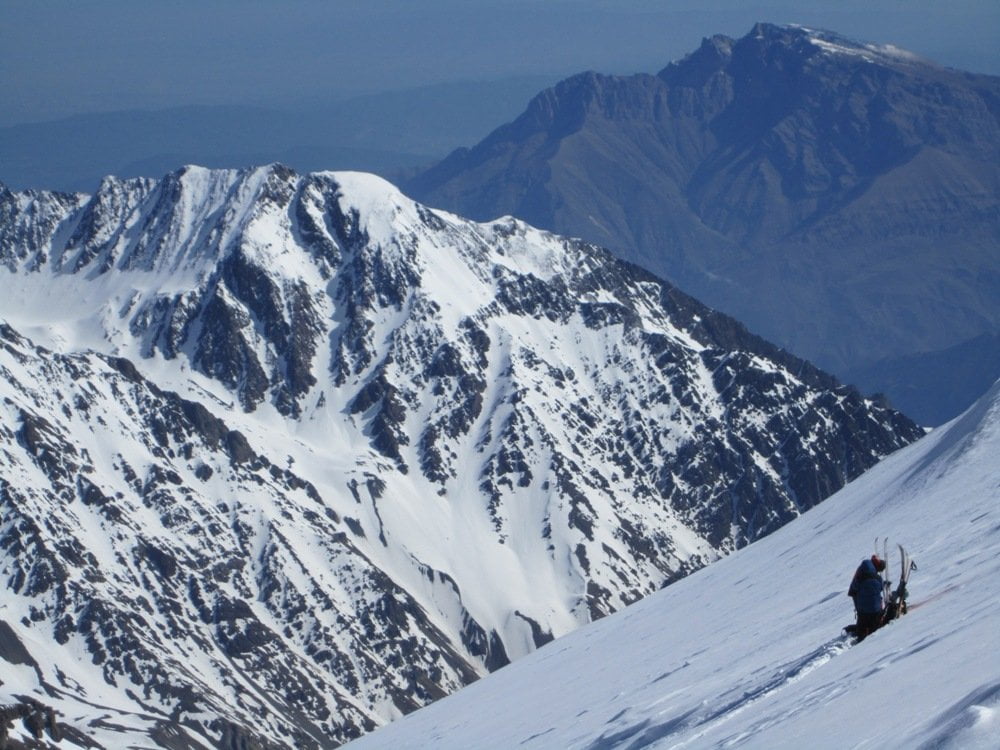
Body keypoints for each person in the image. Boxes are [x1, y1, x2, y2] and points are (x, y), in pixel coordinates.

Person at [848, 554, 886, 641]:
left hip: (863, 612)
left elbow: (853, 589)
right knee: (874, 627)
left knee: (862, 629)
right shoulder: (878, 578)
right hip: (876, 611)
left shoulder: (861, 571)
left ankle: (860, 635)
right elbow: (881, 588)